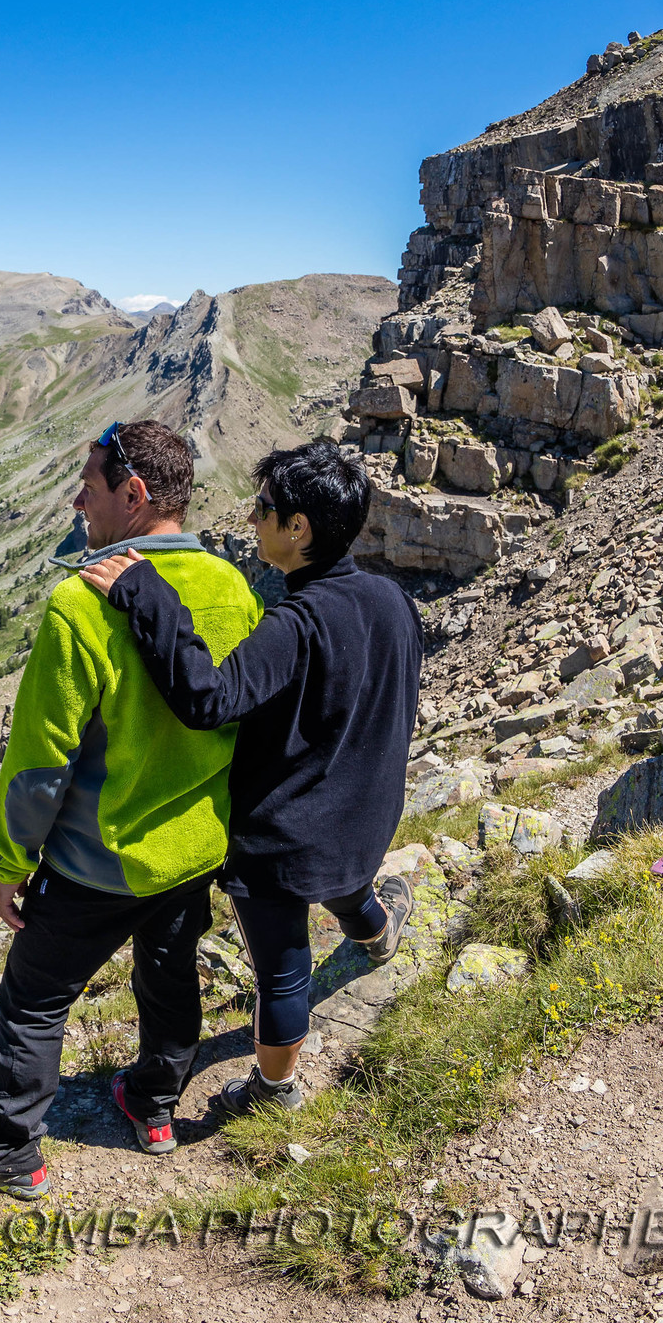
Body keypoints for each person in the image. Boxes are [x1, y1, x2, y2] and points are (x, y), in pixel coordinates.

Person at [0, 419, 263, 1196]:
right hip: (192, 850)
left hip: (96, 861)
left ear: (134, 494)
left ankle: (7, 1150)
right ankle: (154, 1105)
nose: (78, 501)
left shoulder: (79, 605)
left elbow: (40, 764)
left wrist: (9, 864)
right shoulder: (232, 587)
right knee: (170, 975)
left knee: (35, 998)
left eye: (89, 486)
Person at [78, 438, 421, 1117]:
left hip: (285, 840)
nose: (252, 516)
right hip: (366, 810)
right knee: (348, 880)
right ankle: (377, 935)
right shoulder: (391, 597)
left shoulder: (295, 624)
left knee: (283, 971)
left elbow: (208, 699)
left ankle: (273, 1090)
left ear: (299, 529)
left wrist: (147, 595)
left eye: (264, 508)